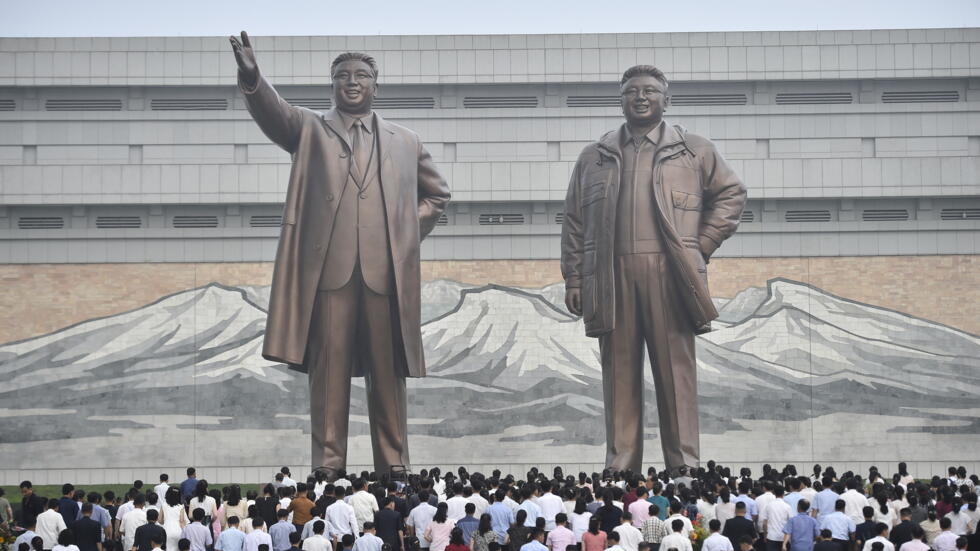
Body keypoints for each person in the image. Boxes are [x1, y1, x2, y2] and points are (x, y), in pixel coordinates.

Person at [228, 29, 450, 477]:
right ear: (332, 84)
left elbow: (438, 196)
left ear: (375, 85)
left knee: (388, 375)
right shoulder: (311, 129)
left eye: (362, 75)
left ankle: (394, 463)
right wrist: (253, 78)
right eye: (343, 75)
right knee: (328, 376)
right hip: (329, 276)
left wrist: (406, 232)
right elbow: (275, 115)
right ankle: (328, 465)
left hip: (385, 276)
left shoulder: (406, 141)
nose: (352, 82)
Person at [560, 63, 746, 473]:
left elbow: (732, 194)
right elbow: (574, 220)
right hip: (610, 275)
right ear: (621, 99)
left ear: (667, 99)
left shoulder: (694, 149)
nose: (640, 97)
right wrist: (574, 278)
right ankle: (621, 462)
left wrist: (701, 246)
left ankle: (684, 463)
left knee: (676, 371)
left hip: (672, 272)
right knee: (618, 373)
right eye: (631, 91)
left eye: (649, 90)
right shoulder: (595, 157)